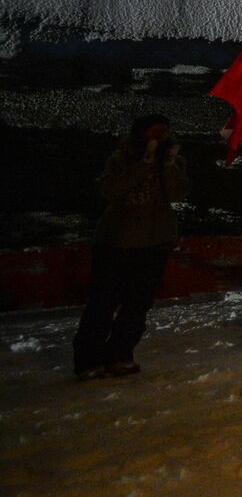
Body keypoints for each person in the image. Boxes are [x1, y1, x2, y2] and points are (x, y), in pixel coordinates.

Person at [74, 114, 188, 379]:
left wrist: (167, 165)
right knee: (103, 301)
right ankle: (89, 359)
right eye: (154, 132)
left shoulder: (173, 161)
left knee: (138, 303)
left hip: (155, 241)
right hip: (118, 242)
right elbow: (111, 190)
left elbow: (176, 193)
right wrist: (144, 165)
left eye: (164, 132)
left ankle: (120, 354)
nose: (159, 137)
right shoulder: (120, 158)